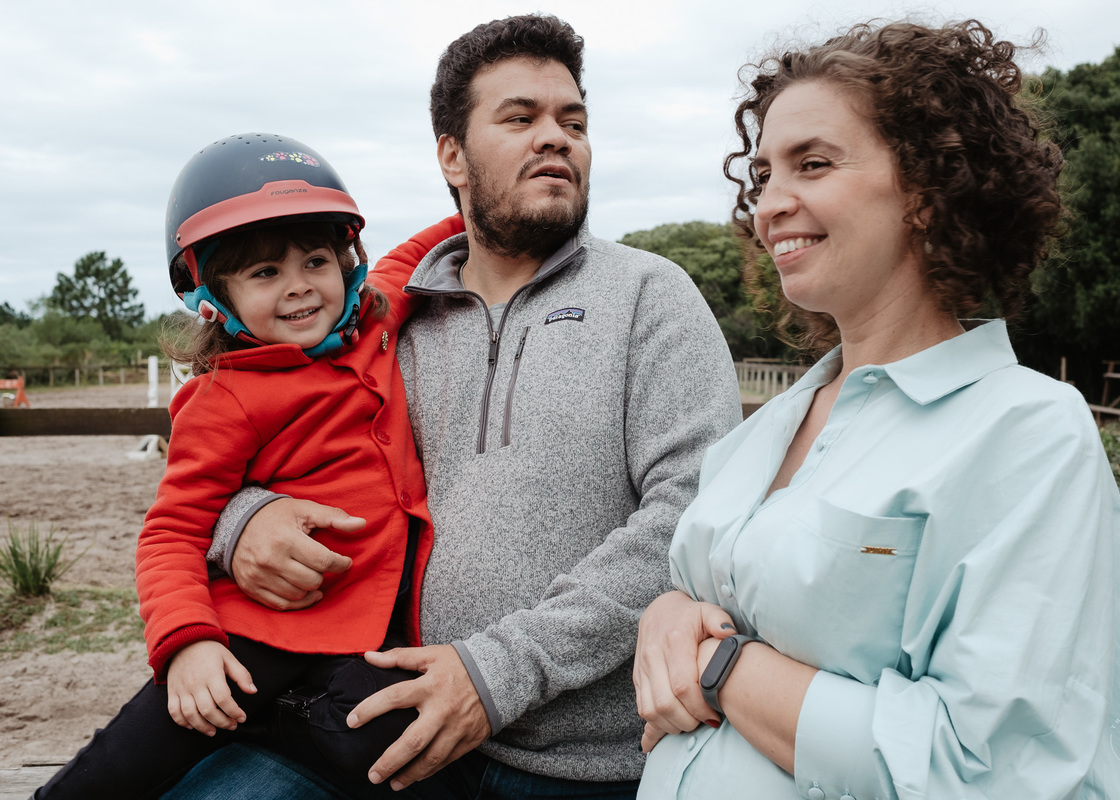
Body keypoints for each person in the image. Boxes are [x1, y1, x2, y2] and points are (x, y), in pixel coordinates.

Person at [162, 14, 743, 800]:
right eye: (520, 118)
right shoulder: (378, 319)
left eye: (573, 121)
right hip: (381, 724)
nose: (556, 137)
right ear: (451, 156)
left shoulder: (649, 295)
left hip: (590, 762)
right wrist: (241, 524)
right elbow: (223, 446)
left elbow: (693, 513)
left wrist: (496, 673)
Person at [633, 20, 1120, 800]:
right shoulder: (756, 437)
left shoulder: (1025, 431)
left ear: (927, 189)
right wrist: (667, 613)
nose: (770, 205)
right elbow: (709, 598)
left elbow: (983, 768)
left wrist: (721, 667)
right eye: (762, 176)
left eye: (812, 165)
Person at [35, 133, 465, 798]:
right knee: (131, 757)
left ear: (347, 262)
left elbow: (426, 244)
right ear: (215, 299)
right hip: (255, 629)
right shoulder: (226, 397)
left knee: (396, 754)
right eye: (264, 274)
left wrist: (482, 201)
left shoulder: (375, 319)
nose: (298, 287)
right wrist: (187, 644)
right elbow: (173, 532)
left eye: (315, 261)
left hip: (361, 631)